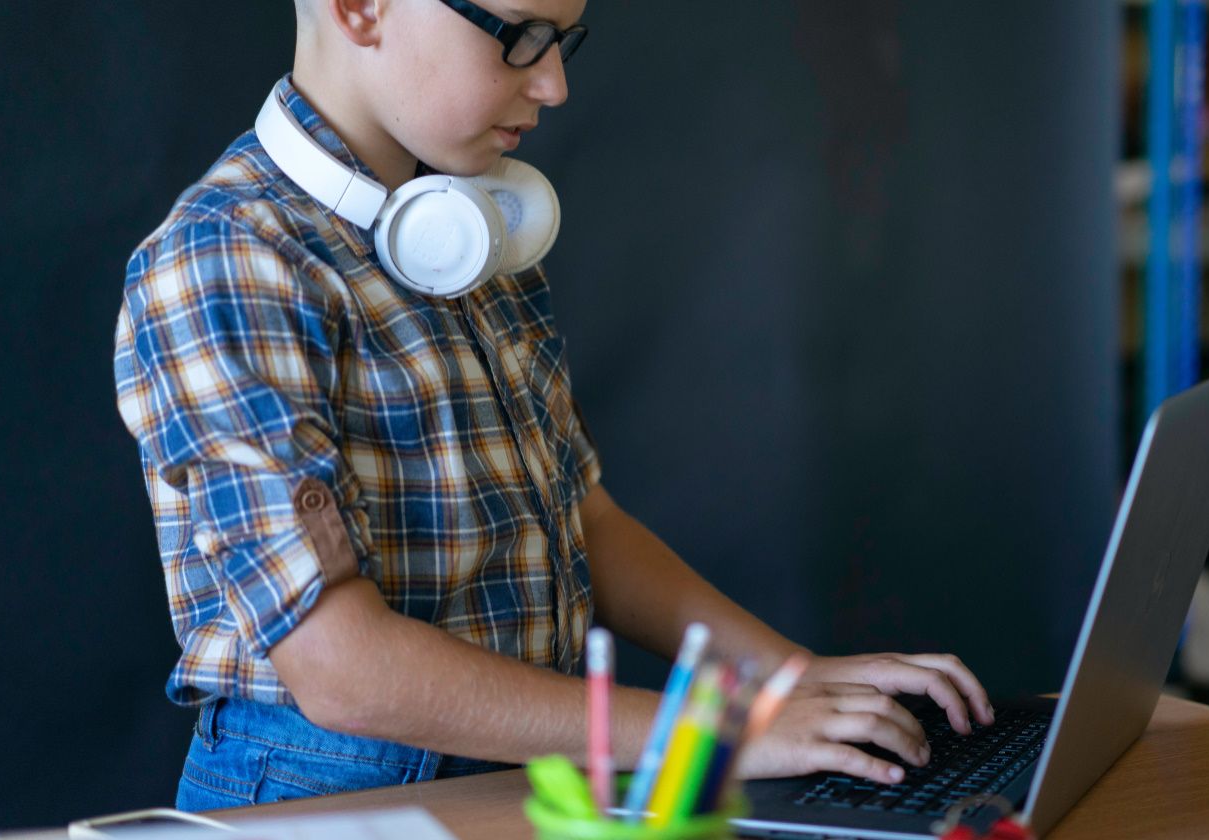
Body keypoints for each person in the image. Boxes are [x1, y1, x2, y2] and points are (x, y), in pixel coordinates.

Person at [112, 0, 994, 811]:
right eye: (519, 35)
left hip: (529, 759)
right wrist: (718, 734)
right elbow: (343, 671)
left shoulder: (469, 230)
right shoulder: (226, 259)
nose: (554, 84)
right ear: (361, 8)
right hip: (328, 789)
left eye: (563, 40)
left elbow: (584, 519)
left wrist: (784, 680)